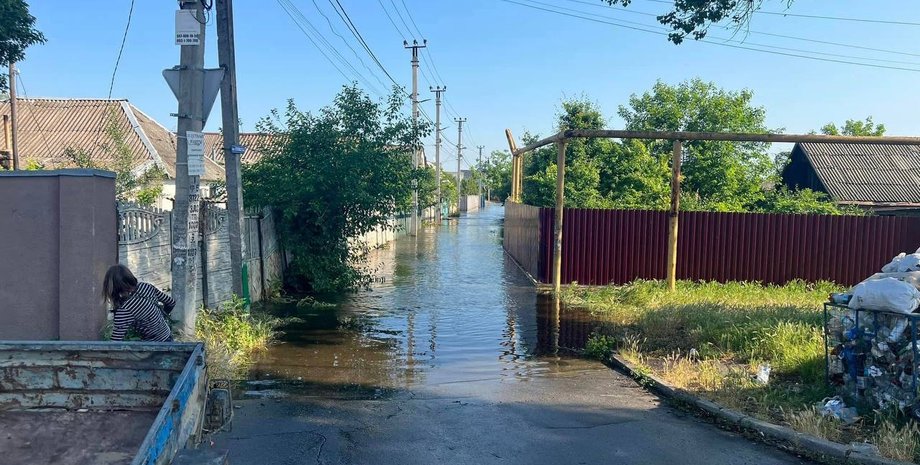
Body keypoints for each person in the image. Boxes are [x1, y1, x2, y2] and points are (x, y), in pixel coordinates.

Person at [102, 264, 175, 342]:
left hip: (154, 347)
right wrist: (161, 317)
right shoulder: (146, 287)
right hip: (168, 336)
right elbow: (171, 302)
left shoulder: (124, 310)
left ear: (111, 287)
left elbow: (115, 343)